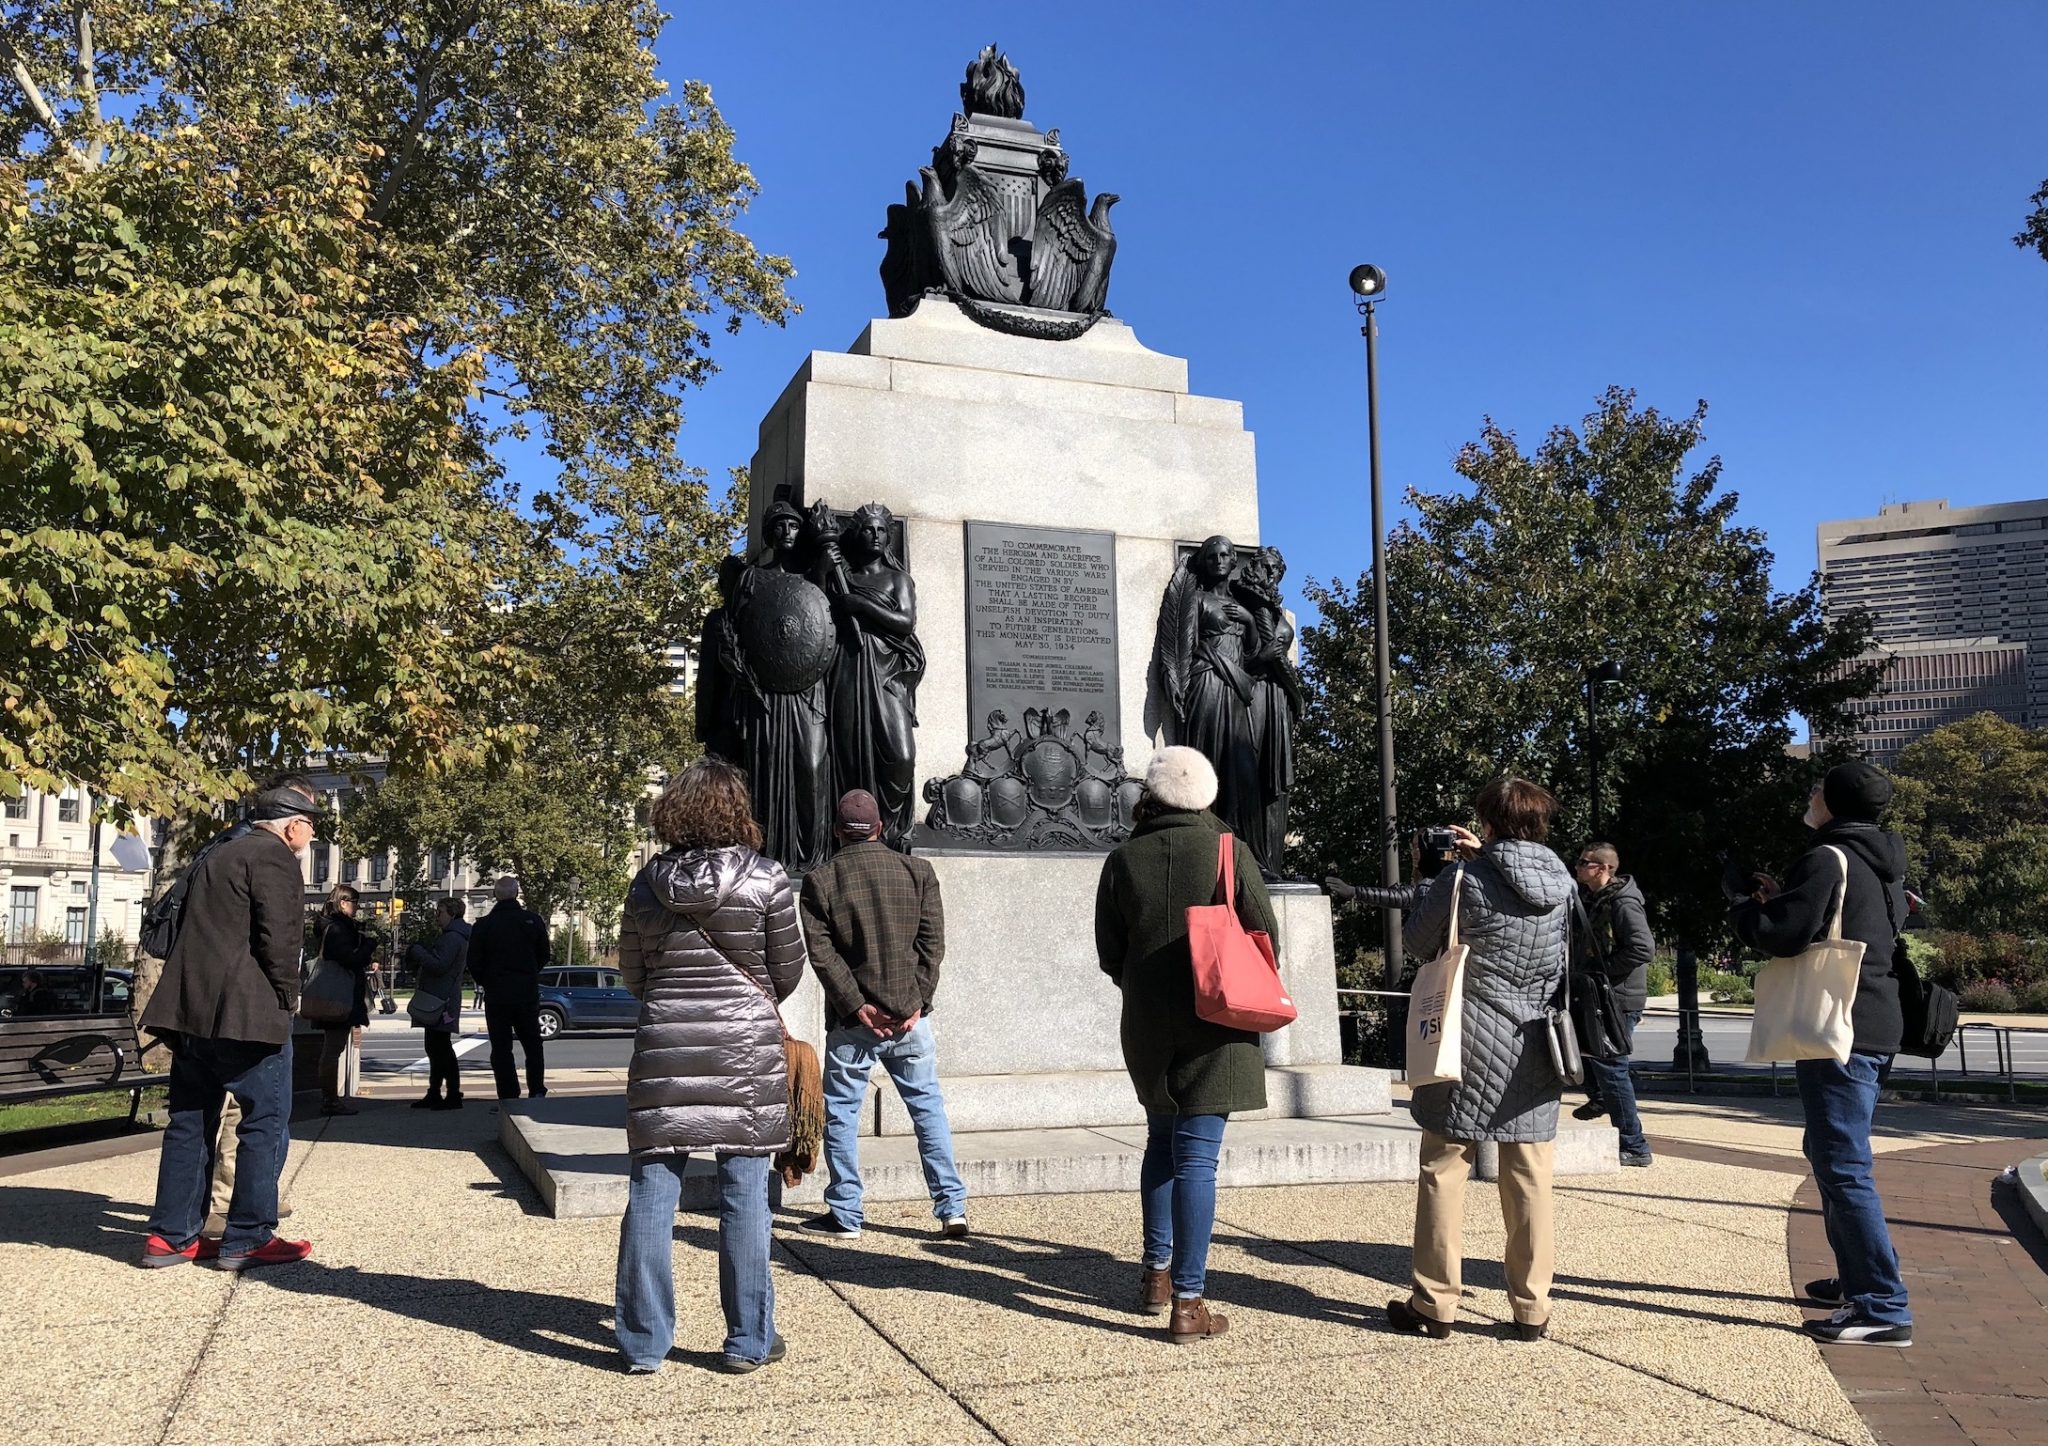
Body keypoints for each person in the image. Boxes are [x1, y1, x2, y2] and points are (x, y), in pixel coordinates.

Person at [613, 760, 808, 1375]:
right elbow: (787, 970)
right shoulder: (768, 879)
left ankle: (645, 1343)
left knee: (650, 1190)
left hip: (664, 1041)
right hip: (744, 1047)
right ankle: (748, 1339)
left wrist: (672, 998)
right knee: (746, 1193)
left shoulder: (647, 884)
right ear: (736, 808)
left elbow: (634, 974)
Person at [1094, 746, 1278, 1344]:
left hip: (1148, 1021)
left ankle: (1155, 1275)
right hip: (1216, 1019)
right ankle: (1190, 1302)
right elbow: (1264, 931)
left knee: (1159, 1144)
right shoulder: (1228, 849)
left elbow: (1110, 952)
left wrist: (1146, 984)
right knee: (1197, 1159)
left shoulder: (1123, 858)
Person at [1387, 776, 1574, 1342]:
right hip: (1536, 1039)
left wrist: (1438, 873)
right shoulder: (1565, 882)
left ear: (1487, 821)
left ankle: (1436, 1303)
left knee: (1445, 1166)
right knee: (1530, 1176)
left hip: (1464, 1037)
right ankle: (1532, 1308)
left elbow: (1420, 943)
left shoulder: (1463, 876)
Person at [1732, 761, 1912, 1347]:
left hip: (1841, 1023)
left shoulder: (1827, 855)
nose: (1810, 797)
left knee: (1842, 1163)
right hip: (1877, 1018)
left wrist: (1745, 907)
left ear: (1832, 802)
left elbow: (1784, 934)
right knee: (1833, 1152)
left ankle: (1882, 1306)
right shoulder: (1882, 861)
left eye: (1816, 790)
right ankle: (1857, 1278)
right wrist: (1783, 899)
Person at [138, 777, 319, 1271]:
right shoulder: (274, 857)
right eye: (311, 827)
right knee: (263, 1122)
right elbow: (279, 941)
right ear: (293, 825)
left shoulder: (216, 853)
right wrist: (289, 997)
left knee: (189, 1121)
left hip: (189, 1013)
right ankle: (248, 1237)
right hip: (249, 1016)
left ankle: (171, 1236)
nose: (312, 837)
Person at [796, 789, 967, 1240]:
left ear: (836, 830)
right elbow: (933, 946)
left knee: (842, 1116)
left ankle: (847, 1213)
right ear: (880, 827)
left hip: (855, 1025)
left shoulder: (821, 880)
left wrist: (856, 1004)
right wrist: (917, 1002)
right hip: (911, 1019)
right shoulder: (918, 872)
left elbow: (822, 955)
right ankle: (952, 1209)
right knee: (928, 1110)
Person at [1570, 843, 1654, 1167]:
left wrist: (1603, 971)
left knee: (1612, 1066)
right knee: (1584, 1050)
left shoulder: (1623, 901)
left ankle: (1634, 1146)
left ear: (1602, 869)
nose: (1577, 867)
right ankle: (1600, 1096)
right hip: (1599, 993)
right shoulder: (1593, 900)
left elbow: (1642, 948)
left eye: (1584, 863)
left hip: (1616, 997)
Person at [468, 876, 551, 1101]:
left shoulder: (483, 925)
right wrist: (530, 973)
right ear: (517, 893)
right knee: (533, 1044)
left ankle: (508, 1095)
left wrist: (488, 980)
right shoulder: (532, 920)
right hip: (525, 991)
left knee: (501, 1048)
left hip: (497, 995)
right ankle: (536, 1090)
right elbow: (544, 954)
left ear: (496, 895)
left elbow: (474, 962)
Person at [312, 884, 376, 1116]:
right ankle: (330, 1100)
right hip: (339, 996)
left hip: (334, 993)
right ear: (343, 902)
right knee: (333, 1049)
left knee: (333, 1047)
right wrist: (367, 945)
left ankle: (330, 1098)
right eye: (355, 902)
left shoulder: (331, 927)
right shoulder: (338, 930)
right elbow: (350, 959)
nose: (357, 907)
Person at [406, 899, 472, 1110]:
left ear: (452, 913)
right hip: (443, 998)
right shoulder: (455, 936)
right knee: (437, 1047)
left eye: (440, 912)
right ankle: (437, 1092)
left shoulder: (452, 938)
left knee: (440, 1048)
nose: (437, 916)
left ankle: (451, 1094)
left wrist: (418, 952)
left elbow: (440, 965)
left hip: (442, 1000)